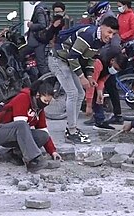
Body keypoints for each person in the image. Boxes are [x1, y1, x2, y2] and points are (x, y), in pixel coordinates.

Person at [49, 16, 119, 144]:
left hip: (69, 62)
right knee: (72, 93)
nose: (110, 36)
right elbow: (72, 57)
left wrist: (90, 76)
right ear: (101, 27)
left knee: (80, 93)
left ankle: (72, 128)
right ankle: (71, 131)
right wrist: (82, 77)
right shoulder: (88, 35)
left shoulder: (100, 41)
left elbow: (91, 58)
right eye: (109, 32)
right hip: (58, 60)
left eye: (113, 34)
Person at [0, 80, 62, 172]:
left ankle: (14, 154)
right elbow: (20, 125)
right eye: (45, 101)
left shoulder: (39, 108)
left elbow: (43, 128)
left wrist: (52, 151)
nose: (46, 104)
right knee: (22, 125)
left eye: (48, 102)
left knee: (43, 136)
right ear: (37, 95)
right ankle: (33, 161)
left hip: (16, 132)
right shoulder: (23, 98)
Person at [85, 1, 124, 125]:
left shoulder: (108, 17)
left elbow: (114, 41)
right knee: (105, 86)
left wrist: (108, 58)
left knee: (104, 85)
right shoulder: (101, 17)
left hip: (106, 58)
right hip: (105, 57)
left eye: (93, 2)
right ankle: (106, 115)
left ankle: (103, 116)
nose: (91, 4)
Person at [85, 46, 128, 130]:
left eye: (118, 70)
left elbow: (101, 80)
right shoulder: (99, 63)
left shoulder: (109, 67)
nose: (115, 71)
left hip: (92, 79)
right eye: (116, 68)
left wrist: (100, 92)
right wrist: (89, 105)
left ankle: (100, 121)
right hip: (83, 76)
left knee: (99, 97)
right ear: (112, 61)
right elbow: (91, 84)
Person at [19, 1, 51, 76]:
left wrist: (31, 26)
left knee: (20, 54)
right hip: (40, 39)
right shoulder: (44, 6)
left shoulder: (39, 8)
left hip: (36, 41)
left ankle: (48, 82)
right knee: (41, 63)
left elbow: (42, 24)